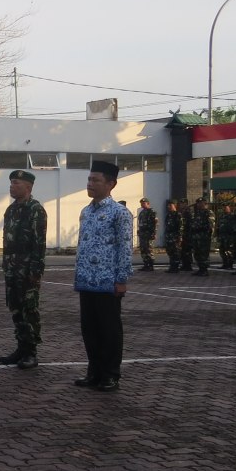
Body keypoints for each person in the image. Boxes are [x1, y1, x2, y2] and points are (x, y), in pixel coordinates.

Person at [73, 160, 132, 392]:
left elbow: (125, 247)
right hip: (86, 280)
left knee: (109, 330)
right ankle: (94, 372)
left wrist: (122, 279)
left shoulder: (120, 213)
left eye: (96, 180)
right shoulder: (86, 211)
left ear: (111, 184)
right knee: (89, 329)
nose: (90, 183)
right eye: (89, 179)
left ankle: (110, 375)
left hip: (108, 281)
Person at [0, 170, 47, 370]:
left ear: (28, 186)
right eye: (11, 182)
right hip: (12, 268)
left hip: (27, 269)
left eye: (16, 183)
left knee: (29, 310)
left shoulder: (35, 210)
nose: (11, 186)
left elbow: (39, 244)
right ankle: (21, 347)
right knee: (16, 308)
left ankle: (31, 352)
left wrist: (35, 271)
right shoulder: (11, 210)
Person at [190, 197, 214, 276]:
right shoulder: (197, 213)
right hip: (196, 236)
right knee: (197, 253)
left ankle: (204, 270)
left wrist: (207, 235)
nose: (199, 205)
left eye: (201, 203)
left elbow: (210, 226)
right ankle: (200, 268)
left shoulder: (208, 212)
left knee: (203, 253)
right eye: (198, 203)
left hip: (204, 237)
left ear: (205, 203)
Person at [135, 198, 157, 271]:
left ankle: (150, 265)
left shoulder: (151, 212)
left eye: (143, 203)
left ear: (148, 203)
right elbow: (140, 223)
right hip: (142, 234)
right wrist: (139, 230)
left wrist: (154, 233)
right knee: (143, 249)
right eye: (141, 203)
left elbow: (155, 224)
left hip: (148, 234)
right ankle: (146, 264)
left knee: (149, 249)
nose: (142, 204)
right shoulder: (142, 212)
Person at [164, 199, 183, 273]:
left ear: (174, 205)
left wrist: (180, 237)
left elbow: (180, 226)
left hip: (175, 236)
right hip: (169, 236)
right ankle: (172, 266)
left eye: (170, 205)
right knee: (170, 251)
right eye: (168, 205)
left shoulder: (178, 215)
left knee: (175, 252)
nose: (168, 206)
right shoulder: (168, 215)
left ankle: (175, 267)